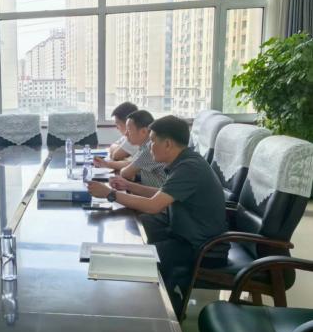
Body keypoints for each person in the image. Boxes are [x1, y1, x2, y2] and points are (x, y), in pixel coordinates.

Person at [87, 115, 228, 314]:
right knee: (133, 234)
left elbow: (154, 206)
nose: (149, 146)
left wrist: (110, 194)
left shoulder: (189, 168)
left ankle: (165, 312)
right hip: (184, 233)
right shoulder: (184, 161)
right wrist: (128, 186)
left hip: (200, 247)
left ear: (168, 144)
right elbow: (163, 194)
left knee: (139, 258)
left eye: (152, 141)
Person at [118, 110, 166, 187]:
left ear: (143, 131)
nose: (125, 134)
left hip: (159, 193)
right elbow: (132, 165)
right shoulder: (144, 146)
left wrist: (125, 171)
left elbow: (125, 173)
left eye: (129, 130)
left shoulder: (151, 148)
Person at [94, 102, 139, 171]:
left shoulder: (135, 137)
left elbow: (116, 156)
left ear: (127, 123)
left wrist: (107, 163)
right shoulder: (128, 135)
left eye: (118, 123)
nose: (117, 128)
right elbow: (112, 146)